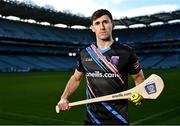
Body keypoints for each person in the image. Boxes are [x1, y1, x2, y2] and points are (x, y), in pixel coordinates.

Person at [56, 9, 145, 125]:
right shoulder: (85, 53)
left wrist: (139, 93)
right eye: (97, 23)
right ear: (92, 28)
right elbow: (76, 78)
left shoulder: (126, 52)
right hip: (91, 119)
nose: (102, 27)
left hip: (118, 120)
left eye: (105, 22)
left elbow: (138, 77)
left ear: (113, 24)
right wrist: (64, 97)